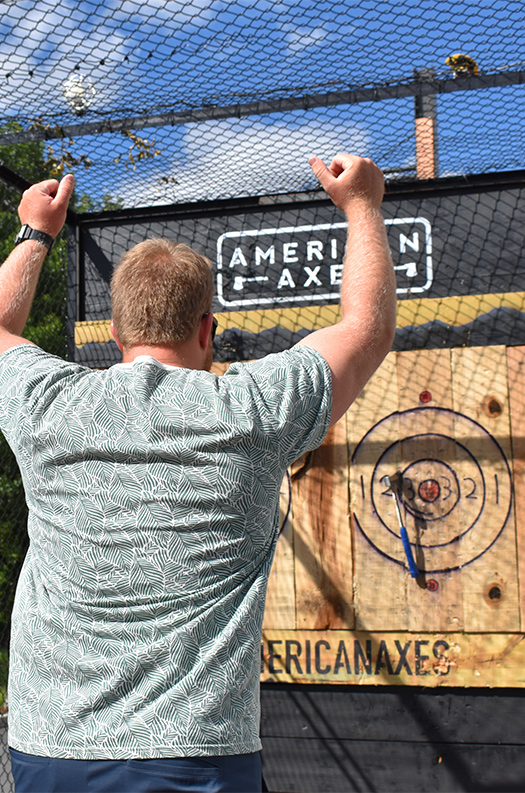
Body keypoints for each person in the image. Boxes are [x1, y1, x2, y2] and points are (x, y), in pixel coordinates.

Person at [0, 154, 396, 792]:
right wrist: (363, 208)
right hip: (200, 759)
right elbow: (367, 329)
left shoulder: (48, 405)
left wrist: (35, 232)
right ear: (207, 330)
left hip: (52, 749)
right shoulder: (254, 409)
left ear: (115, 333)